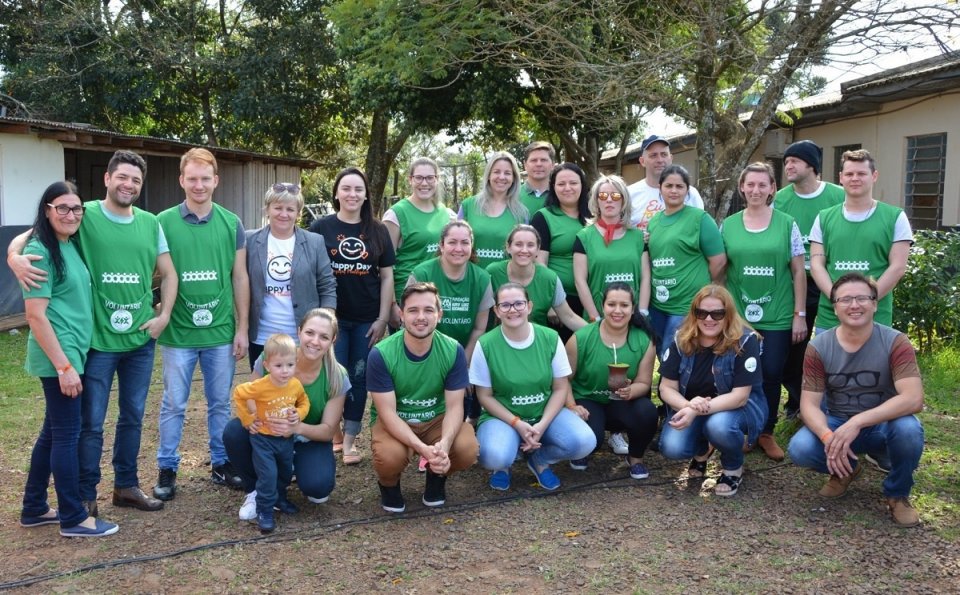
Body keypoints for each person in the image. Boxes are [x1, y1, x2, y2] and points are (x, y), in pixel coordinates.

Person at [8, 150, 177, 516]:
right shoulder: (83, 214)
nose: (128, 184)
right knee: (90, 423)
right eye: (122, 177)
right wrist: (12, 256)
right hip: (97, 343)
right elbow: (34, 232)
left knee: (132, 416)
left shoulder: (149, 223)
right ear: (107, 179)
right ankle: (86, 494)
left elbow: (170, 272)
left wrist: (163, 316)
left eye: (135, 180)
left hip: (139, 343)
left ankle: (126, 486)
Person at [18, 182, 119, 537]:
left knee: (52, 434)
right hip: (58, 358)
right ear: (47, 209)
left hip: (72, 352)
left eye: (76, 209)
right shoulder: (40, 252)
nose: (71, 215)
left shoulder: (66, 244)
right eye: (62, 208)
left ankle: (33, 507)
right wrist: (64, 367)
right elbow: (35, 316)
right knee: (66, 436)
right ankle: (73, 517)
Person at [787, 273, 924, 527]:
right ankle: (846, 470)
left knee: (909, 429)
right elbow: (808, 406)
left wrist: (858, 421)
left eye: (862, 298)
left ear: (875, 303)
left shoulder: (896, 342)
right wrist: (828, 437)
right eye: (846, 299)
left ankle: (897, 494)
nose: (854, 305)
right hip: (839, 421)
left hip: (885, 423)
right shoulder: (818, 347)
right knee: (800, 448)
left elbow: (913, 399)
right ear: (835, 307)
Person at [153, 148, 248, 502]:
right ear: (181, 180)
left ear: (215, 181)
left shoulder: (231, 222)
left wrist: (242, 328)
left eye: (205, 178)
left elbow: (239, 278)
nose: (198, 185)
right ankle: (167, 467)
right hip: (178, 334)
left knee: (219, 403)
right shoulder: (161, 222)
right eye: (191, 178)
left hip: (219, 332)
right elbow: (151, 271)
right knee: (174, 403)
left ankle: (222, 462)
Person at [223, 308, 348, 521]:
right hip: (268, 432)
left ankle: (290, 469)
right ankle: (256, 489)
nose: (315, 341)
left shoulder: (337, 375)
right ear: (299, 331)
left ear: (333, 341)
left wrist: (296, 427)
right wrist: (254, 418)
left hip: (307, 436)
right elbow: (249, 394)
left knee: (318, 488)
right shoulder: (273, 356)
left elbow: (328, 431)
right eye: (310, 333)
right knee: (234, 431)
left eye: (324, 336)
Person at [366, 283, 479, 512]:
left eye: (428, 310)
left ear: (439, 315)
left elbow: (456, 407)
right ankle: (389, 485)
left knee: (467, 448)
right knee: (389, 457)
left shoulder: (452, 349)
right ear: (401, 314)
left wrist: (443, 446)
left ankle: (437, 475)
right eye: (413, 310)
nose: (421, 317)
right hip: (397, 420)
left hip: (436, 420)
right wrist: (421, 448)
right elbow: (387, 413)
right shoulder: (381, 353)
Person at [309, 167, 396, 465]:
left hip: (366, 320)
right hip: (330, 320)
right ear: (336, 193)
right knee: (332, 376)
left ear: (365, 195)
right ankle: (330, 434)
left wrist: (382, 318)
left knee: (358, 378)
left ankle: (349, 441)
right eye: (346, 188)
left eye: (358, 189)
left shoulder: (378, 230)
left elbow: (387, 278)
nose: (352, 194)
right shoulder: (320, 228)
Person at [471, 283, 595, 491]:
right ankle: (503, 466)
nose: (513, 310)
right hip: (503, 417)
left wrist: (542, 425)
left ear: (529, 306)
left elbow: (560, 388)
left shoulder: (550, 338)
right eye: (506, 305)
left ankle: (540, 459)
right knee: (494, 456)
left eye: (519, 303)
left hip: (544, 414)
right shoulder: (485, 344)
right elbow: (484, 396)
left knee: (584, 442)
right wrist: (517, 423)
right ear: (496, 310)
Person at [721, 162, 806, 461]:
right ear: (742, 187)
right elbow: (720, 271)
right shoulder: (728, 225)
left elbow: (798, 271)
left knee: (770, 372)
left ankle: (766, 432)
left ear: (772, 188)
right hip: (738, 317)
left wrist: (800, 314)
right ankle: (746, 429)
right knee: (740, 374)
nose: (756, 190)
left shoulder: (787, 223)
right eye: (750, 184)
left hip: (778, 315)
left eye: (763, 184)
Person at [658, 285, 767, 497]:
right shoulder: (680, 339)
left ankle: (733, 467)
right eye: (702, 312)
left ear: (728, 314)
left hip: (738, 409)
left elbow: (739, 397)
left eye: (717, 313)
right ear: (694, 313)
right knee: (672, 447)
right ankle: (702, 451)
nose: (709, 319)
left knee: (718, 425)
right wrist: (688, 406)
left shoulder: (745, 340)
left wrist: (694, 410)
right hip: (694, 407)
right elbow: (666, 387)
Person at [774, 140, 845, 419]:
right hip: (792, 282)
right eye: (786, 161)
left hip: (828, 280)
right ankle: (796, 402)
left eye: (795, 161)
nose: (788, 166)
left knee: (829, 347)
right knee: (793, 347)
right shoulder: (780, 198)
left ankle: (832, 404)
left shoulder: (837, 196)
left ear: (812, 166)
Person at [810, 149, 912, 332]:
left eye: (861, 173)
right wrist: (838, 299)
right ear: (841, 178)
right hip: (830, 319)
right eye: (849, 174)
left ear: (874, 176)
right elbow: (817, 265)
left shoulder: (895, 217)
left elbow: (897, 267)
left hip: (875, 319)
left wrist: (867, 302)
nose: (855, 178)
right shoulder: (823, 218)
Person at [565, 282, 658, 479]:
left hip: (621, 401)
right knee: (591, 439)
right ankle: (583, 450)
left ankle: (636, 459)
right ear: (602, 306)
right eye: (611, 304)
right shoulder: (581, 338)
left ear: (633, 309)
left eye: (624, 305)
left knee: (647, 411)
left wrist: (632, 391)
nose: (618, 311)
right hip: (588, 400)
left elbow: (644, 382)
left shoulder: (644, 339)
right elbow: (563, 380)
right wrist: (572, 405)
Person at [246, 182, 337, 366]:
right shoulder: (250, 240)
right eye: (278, 208)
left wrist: (325, 325)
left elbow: (327, 285)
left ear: (298, 213)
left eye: (290, 209)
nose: (284, 214)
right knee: (264, 390)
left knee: (301, 391)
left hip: (302, 336)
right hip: (262, 335)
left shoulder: (314, 242)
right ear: (267, 209)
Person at [232, 333, 310, 533]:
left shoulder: (295, 384)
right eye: (279, 366)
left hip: (285, 439)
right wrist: (248, 419)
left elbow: (303, 401)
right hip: (263, 439)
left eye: (290, 365)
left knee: (284, 471)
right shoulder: (260, 386)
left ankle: (280, 498)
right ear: (266, 365)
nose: (285, 371)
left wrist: (298, 414)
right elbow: (238, 395)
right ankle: (264, 510)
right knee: (268, 474)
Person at [647, 165, 726, 355]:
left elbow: (719, 262)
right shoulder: (653, 222)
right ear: (660, 188)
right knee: (657, 352)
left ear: (687, 190)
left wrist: (703, 289)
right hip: (658, 305)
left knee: (673, 354)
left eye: (679, 186)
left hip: (686, 306)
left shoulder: (700, 219)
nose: (674, 191)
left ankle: (674, 386)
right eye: (669, 185)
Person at [384, 157, 455, 322]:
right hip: (409, 295)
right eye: (419, 178)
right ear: (410, 180)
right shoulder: (396, 215)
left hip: (439, 295)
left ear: (437, 180)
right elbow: (385, 265)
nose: (425, 183)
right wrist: (392, 304)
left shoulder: (448, 215)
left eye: (430, 178)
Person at [573, 175, 649, 324]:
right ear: (596, 201)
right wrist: (594, 317)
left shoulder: (639, 237)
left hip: (633, 318)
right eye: (603, 195)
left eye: (615, 195)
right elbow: (580, 281)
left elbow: (645, 277)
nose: (609, 200)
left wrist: (643, 312)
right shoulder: (584, 237)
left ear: (624, 200)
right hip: (597, 318)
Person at [486, 224, 585, 331]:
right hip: (498, 341)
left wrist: (597, 333)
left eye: (530, 245)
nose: (524, 250)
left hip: (537, 341)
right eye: (518, 244)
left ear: (538, 249)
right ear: (508, 247)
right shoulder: (492, 273)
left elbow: (569, 317)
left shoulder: (549, 278)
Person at [530, 163, 591, 334]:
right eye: (561, 184)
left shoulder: (595, 215)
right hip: (561, 302)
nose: (567, 188)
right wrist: (551, 302)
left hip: (595, 298)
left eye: (573, 183)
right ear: (553, 187)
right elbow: (539, 262)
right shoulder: (544, 217)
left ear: (582, 185)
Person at [458, 151, 528, 269]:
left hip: (506, 281)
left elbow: (524, 253)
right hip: (471, 278)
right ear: (488, 175)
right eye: (496, 172)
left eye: (507, 173)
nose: (501, 177)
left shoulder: (521, 213)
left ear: (514, 178)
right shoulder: (468, 206)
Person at [626, 135, 704, 231]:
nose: (660, 160)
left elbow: (700, 228)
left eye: (664, 154)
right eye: (653, 155)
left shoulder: (690, 193)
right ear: (642, 161)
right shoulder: (629, 194)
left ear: (671, 158)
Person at [518, 141, 556, 214]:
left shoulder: (561, 195)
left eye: (544, 160)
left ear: (553, 164)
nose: (539, 164)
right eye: (533, 160)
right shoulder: (512, 196)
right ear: (525, 165)